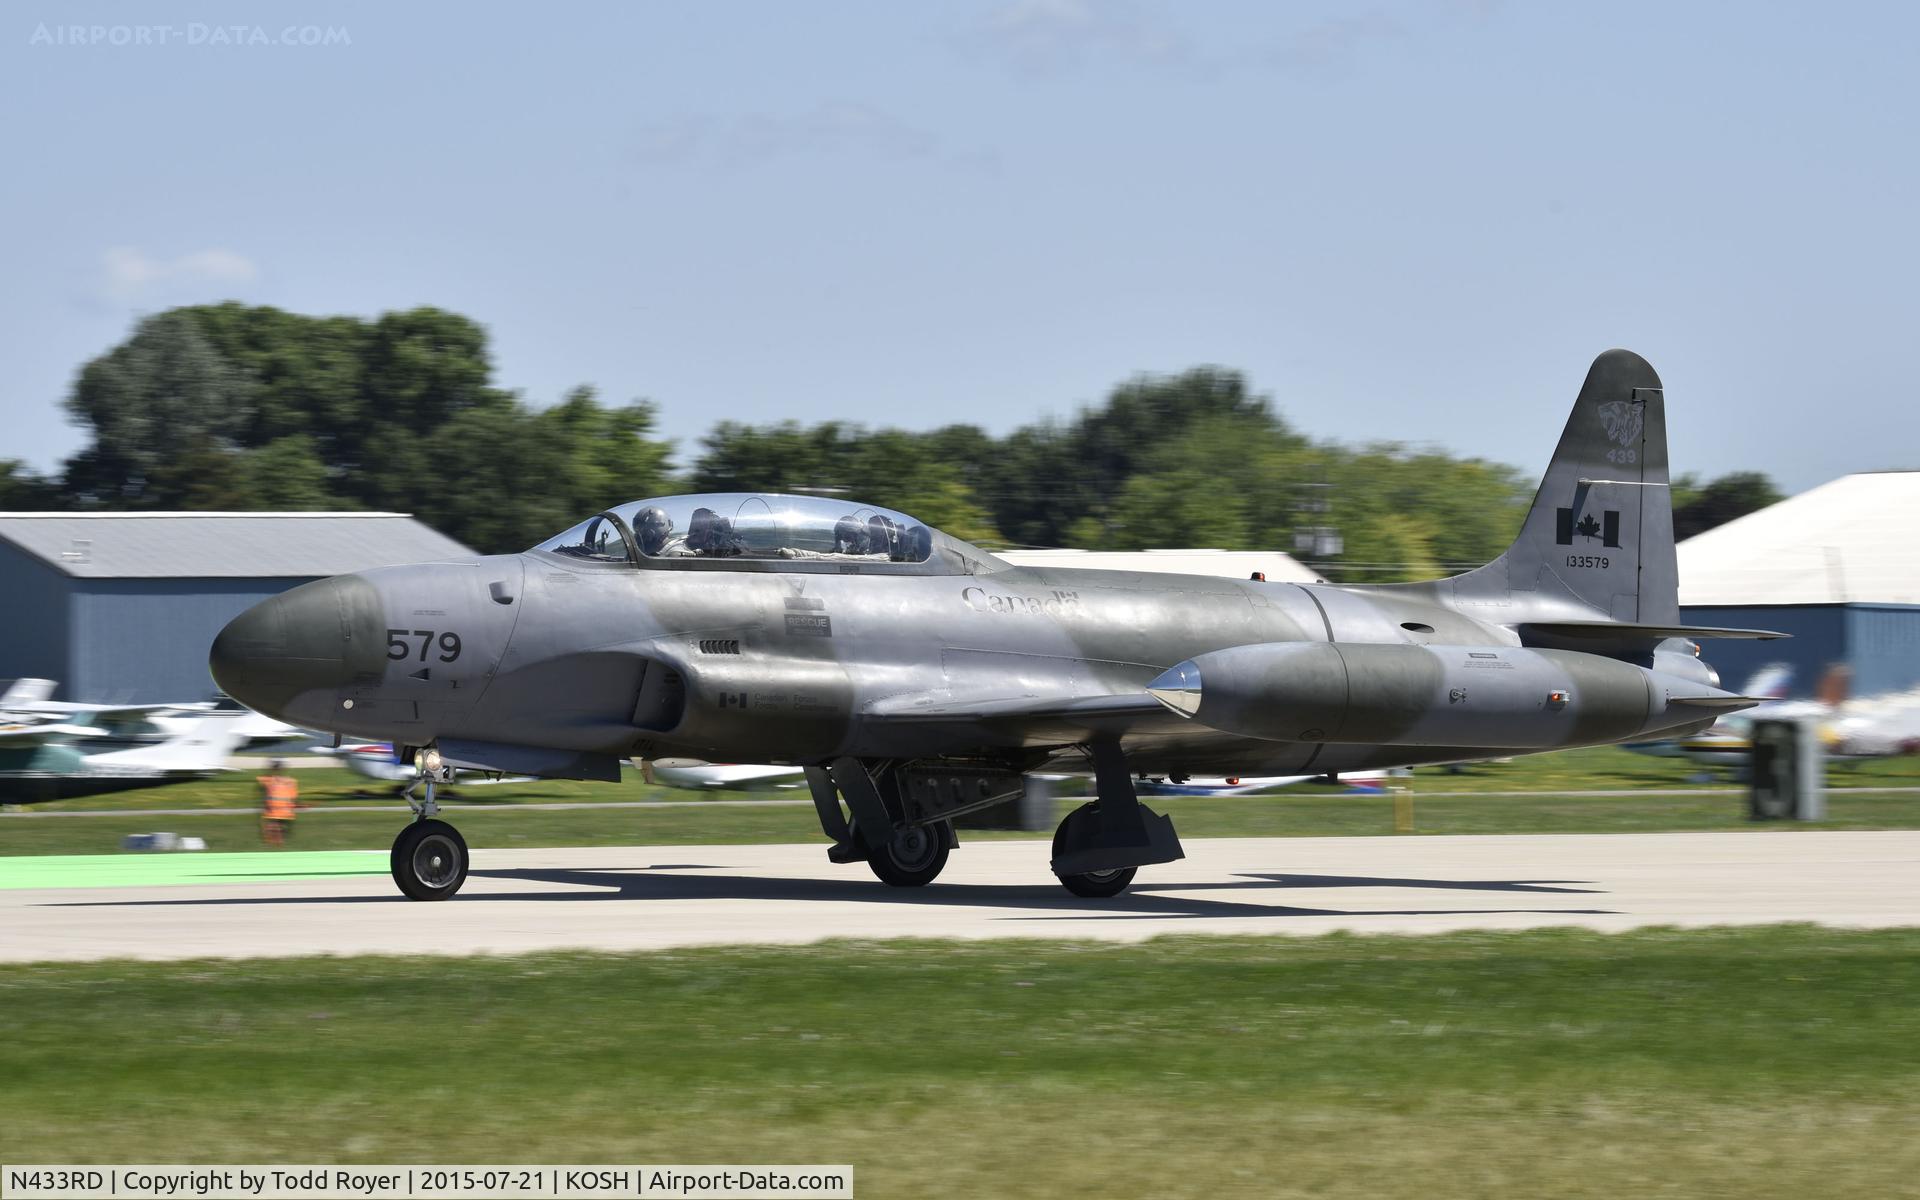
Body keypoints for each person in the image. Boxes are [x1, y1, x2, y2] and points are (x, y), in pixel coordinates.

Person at [258, 761, 299, 847]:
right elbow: (294, 797)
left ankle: (271, 841)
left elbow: (262, 781)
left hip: (273, 809)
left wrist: (271, 770)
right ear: (284, 769)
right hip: (287, 811)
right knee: (279, 825)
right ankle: (278, 841)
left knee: (273, 824)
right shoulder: (291, 781)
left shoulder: (269, 780)